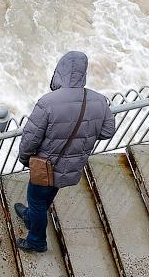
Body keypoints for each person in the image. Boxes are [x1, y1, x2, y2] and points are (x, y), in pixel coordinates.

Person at [15, 51, 116, 252]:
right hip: (72, 165)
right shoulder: (99, 100)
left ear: (59, 71)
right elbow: (107, 132)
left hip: (46, 165)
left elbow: (31, 138)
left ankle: (36, 240)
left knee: (36, 199)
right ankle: (30, 217)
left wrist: (25, 158)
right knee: (48, 195)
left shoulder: (48, 102)